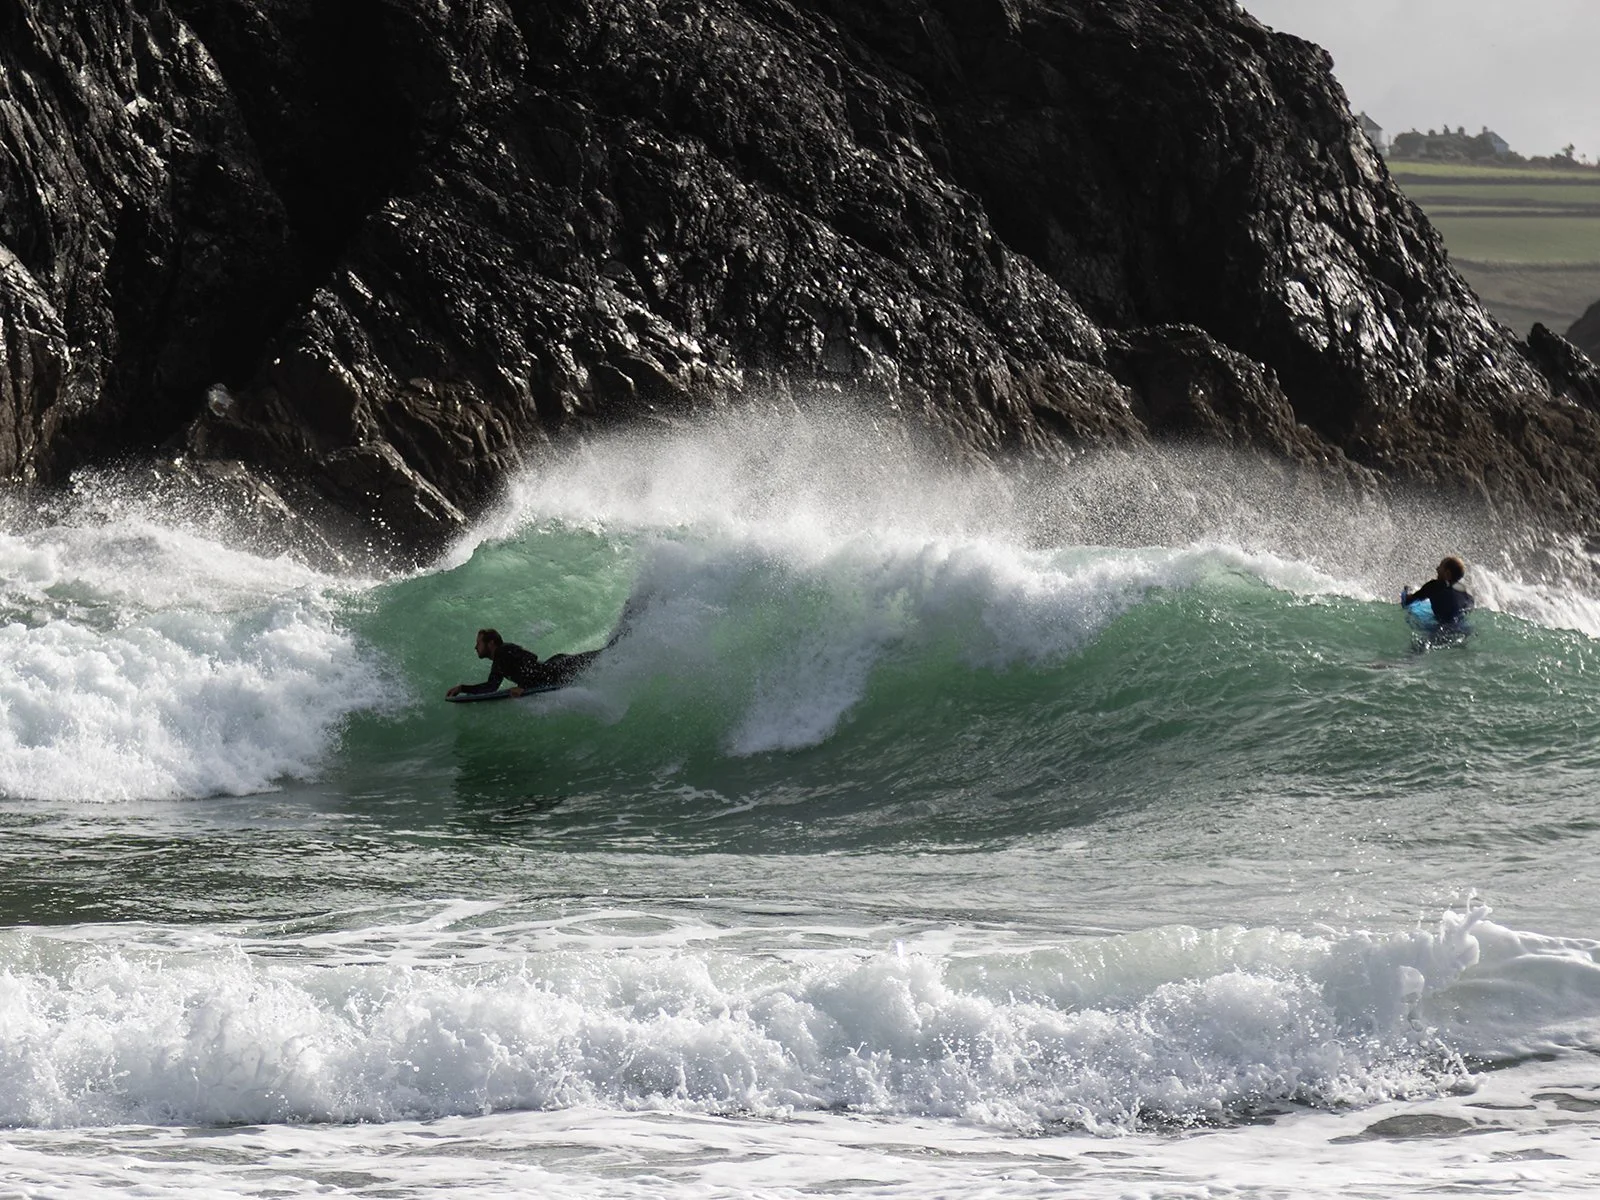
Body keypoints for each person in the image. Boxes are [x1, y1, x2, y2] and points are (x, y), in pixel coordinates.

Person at [445, 628, 600, 698]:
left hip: (560, 667)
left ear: (491, 643)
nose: (475, 647)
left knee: (603, 655)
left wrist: (524, 686)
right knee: (600, 657)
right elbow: (491, 687)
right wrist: (462, 688)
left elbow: (530, 657)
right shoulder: (499, 663)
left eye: (478, 643)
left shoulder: (504, 651)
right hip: (554, 665)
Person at [1402, 556, 1475, 627]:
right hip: (1462, 628)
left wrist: (1405, 592)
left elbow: (1408, 601)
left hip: (1440, 629)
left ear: (1447, 573)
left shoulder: (1434, 586)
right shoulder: (1467, 596)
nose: (1437, 569)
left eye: (1440, 567)